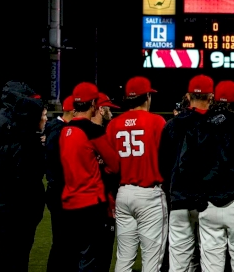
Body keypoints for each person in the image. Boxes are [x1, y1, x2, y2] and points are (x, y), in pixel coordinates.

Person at [181, 80, 234, 272]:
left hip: (208, 206)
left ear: (214, 101)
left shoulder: (198, 129)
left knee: (211, 267)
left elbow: (185, 167)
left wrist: (198, 198)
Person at [105, 76, 168, 271]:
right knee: (152, 260)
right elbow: (167, 160)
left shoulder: (113, 124)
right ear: (147, 96)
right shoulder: (157, 121)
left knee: (124, 258)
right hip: (150, 194)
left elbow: (110, 167)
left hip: (123, 193)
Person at [0, 81, 46, 272]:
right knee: (13, 255)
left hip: (9, 203)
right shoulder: (9, 124)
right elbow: (16, 171)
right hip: (11, 205)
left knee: (14, 255)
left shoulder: (9, 122)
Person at [60, 81, 120, 271]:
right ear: (94, 104)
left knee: (74, 258)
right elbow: (116, 164)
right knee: (92, 260)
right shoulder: (93, 131)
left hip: (69, 204)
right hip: (91, 204)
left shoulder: (64, 130)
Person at [159, 74, 214, 272]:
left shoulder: (172, 124)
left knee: (179, 261)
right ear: (211, 97)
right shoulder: (216, 123)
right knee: (210, 260)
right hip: (209, 201)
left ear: (188, 97)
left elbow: (163, 165)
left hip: (180, 199)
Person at [44, 95, 75, 272]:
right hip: (60, 191)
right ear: (73, 110)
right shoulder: (59, 130)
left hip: (58, 189)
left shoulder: (58, 128)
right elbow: (58, 164)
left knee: (64, 240)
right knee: (62, 241)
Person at [92, 92, 120, 272]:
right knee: (100, 256)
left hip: (82, 205)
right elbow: (114, 169)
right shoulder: (100, 135)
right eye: (108, 108)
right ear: (101, 110)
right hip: (102, 204)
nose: (111, 112)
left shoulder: (75, 132)